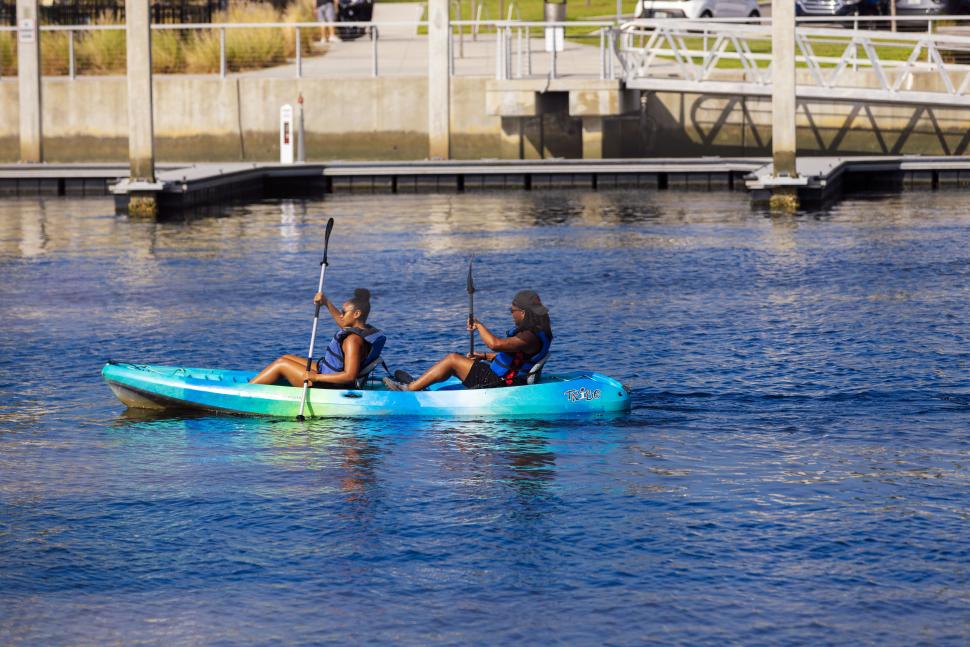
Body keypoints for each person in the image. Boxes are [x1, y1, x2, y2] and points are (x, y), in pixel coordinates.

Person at [384, 290, 552, 392]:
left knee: (452, 360)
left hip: (500, 384)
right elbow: (517, 359)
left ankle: (411, 388)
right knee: (458, 362)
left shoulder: (529, 336)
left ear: (523, 312)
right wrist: (485, 356)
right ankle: (421, 383)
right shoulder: (537, 332)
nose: (511, 313)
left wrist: (479, 325)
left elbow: (495, 344)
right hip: (506, 377)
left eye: (512, 310)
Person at [250, 288, 385, 388]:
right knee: (285, 357)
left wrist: (316, 377)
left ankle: (246, 390)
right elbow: (342, 322)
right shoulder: (362, 329)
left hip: (330, 385)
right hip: (327, 371)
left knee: (281, 364)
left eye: (344, 312)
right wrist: (326, 302)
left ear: (356, 314)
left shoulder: (353, 340)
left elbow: (350, 376)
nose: (341, 315)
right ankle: (261, 384)